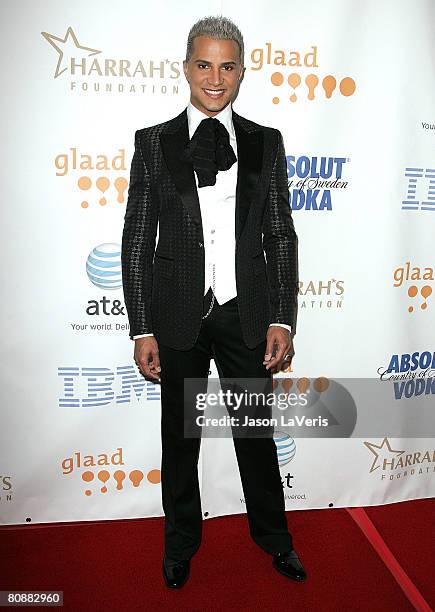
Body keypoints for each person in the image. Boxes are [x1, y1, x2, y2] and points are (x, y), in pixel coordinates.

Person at [121, 15, 305, 588]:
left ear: (242, 72)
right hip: (176, 315)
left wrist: (281, 315)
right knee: (180, 441)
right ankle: (179, 545)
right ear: (186, 69)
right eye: (204, 64)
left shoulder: (264, 142)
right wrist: (141, 327)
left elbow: (280, 235)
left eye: (227, 66)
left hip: (245, 314)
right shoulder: (153, 144)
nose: (215, 77)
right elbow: (135, 239)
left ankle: (274, 539)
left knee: (255, 435)